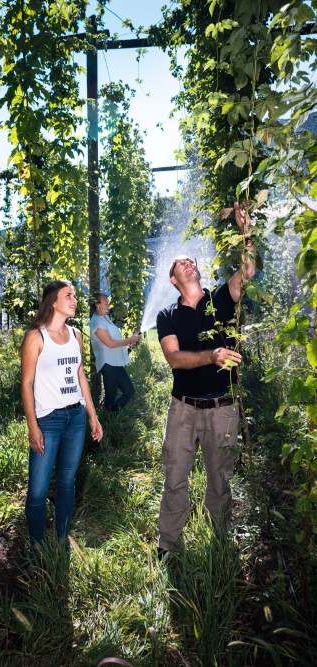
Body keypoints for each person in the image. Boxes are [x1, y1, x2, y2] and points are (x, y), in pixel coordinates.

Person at [156, 203, 256, 558]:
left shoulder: (219, 300)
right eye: (179, 263)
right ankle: (168, 544)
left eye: (191, 260)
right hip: (183, 409)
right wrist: (211, 356)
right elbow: (174, 359)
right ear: (173, 279)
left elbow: (246, 271)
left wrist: (246, 232)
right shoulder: (167, 315)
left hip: (222, 409)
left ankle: (220, 542)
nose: (188, 263)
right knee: (175, 477)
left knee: (219, 479)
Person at [21, 280, 103, 545]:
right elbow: (26, 383)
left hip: (75, 419)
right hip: (48, 421)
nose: (74, 300)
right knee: (37, 491)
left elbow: (80, 376)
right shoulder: (36, 337)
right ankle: (36, 546)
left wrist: (92, 414)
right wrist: (33, 426)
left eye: (75, 296)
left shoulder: (77, 335)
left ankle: (61, 539)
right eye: (68, 295)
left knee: (67, 482)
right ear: (53, 302)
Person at [89, 293, 141, 411]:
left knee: (129, 391)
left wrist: (129, 341)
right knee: (110, 399)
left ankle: (112, 416)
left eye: (107, 299)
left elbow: (114, 339)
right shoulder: (96, 321)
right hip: (108, 364)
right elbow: (110, 343)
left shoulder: (105, 318)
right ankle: (107, 423)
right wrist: (129, 339)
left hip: (115, 362)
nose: (107, 301)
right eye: (104, 300)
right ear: (97, 304)